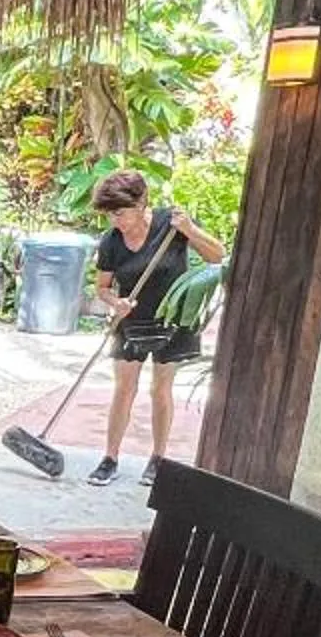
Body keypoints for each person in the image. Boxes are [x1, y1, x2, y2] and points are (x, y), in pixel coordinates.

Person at [86, 168, 224, 487]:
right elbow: (103, 287)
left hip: (172, 318)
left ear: (141, 203)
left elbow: (217, 256)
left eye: (119, 213)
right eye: (109, 215)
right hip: (131, 318)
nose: (115, 221)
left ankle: (157, 459)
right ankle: (110, 458)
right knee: (124, 388)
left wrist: (189, 229)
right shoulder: (111, 241)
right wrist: (115, 303)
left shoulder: (171, 225)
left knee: (161, 389)